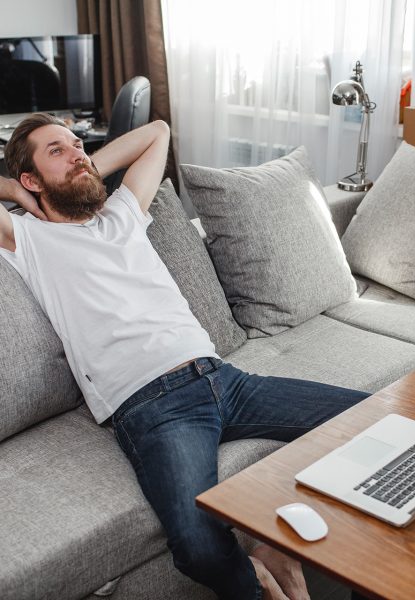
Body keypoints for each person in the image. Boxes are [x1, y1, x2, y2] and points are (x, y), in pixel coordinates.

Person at [0, 113, 369, 600]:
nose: (76, 153)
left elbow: (158, 132)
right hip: (153, 408)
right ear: (30, 178)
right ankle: (258, 581)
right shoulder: (28, 239)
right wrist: (17, 191)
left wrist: (79, 164)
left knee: (374, 424)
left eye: (77, 144)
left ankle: (304, 554)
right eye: (57, 151)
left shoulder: (123, 213)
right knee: (196, 545)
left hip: (225, 379)